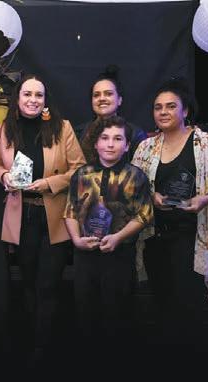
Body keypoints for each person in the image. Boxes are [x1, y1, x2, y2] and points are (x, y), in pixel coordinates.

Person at [132, 77, 208, 352]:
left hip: (193, 238)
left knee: (189, 305)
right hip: (155, 237)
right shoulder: (146, 147)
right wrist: (151, 197)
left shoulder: (207, 144)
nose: (163, 112)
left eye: (171, 106)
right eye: (158, 107)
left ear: (186, 111)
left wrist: (204, 199)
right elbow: (132, 186)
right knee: (162, 303)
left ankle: (192, 360)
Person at [0, 73, 86, 357]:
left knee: (48, 285)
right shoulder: (1, 130)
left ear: (45, 100)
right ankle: (30, 343)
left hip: (54, 216)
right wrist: (4, 175)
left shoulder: (62, 128)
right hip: (22, 216)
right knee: (28, 283)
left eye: (38, 95)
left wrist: (49, 183)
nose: (33, 100)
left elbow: (79, 169)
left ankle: (44, 347)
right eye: (27, 94)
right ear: (17, 98)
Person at [64, 116, 153, 348]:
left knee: (118, 317)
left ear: (127, 145)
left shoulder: (137, 176)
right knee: (85, 316)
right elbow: (70, 211)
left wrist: (118, 238)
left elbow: (144, 215)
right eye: (104, 138)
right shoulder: (81, 175)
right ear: (95, 143)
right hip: (85, 256)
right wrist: (76, 240)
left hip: (119, 256)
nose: (110, 144)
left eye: (117, 139)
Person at [74, 65, 147, 165]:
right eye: (96, 95)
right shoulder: (78, 133)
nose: (102, 98)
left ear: (119, 100)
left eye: (108, 94)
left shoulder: (136, 135)